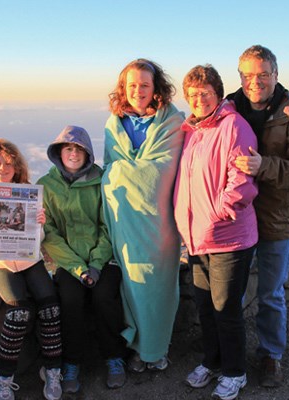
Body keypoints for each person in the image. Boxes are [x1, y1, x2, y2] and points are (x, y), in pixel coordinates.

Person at [227, 45, 289, 387]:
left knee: (270, 293)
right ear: (240, 76)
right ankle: (230, 348)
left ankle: (270, 355)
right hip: (235, 218)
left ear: (275, 74)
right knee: (230, 291)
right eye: (248, 75)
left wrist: (263, 166)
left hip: (275, 219)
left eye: (263, 74)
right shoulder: (228, 107)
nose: (256, 81)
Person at [174, 64, 258, 400]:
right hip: (197, 238)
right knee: (206, 307)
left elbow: (242, 183)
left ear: (217, 94)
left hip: (228, 237)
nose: (198, 99)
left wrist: (217, 215)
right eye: (192, 94)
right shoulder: (191, 131)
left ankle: (235, 372)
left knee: (226, 308)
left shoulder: (234, 126)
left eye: (204, 93)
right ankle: (212, 361)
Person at [0, 139, 62, 400]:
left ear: (17, 167)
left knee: (51, 307)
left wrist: (39, 224)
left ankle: (52, 371)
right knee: (20, 312)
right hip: (0, 264)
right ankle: (4, 379)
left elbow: (36, 240)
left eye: (9, 163)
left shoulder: (28, 193)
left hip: (31, 261)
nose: (3, 168)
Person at [102, 58, 185, 372]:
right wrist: (125, 174)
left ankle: (156, 348)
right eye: (132, 85)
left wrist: (124, 174)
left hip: (158, 221)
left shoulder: (171, 121)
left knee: (157, 286)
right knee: (131, 283)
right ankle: (136, 346)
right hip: (125, 221)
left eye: (144, 85)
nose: (138, 91)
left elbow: (161, 171)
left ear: (156, 88)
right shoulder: (114, 123)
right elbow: (109, 173)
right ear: (123, 88)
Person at [37, 125, 128, 392]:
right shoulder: (46, 186)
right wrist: (79, 269)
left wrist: (96, 265)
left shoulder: (103, 181)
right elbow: (50, 234)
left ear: (87, 153)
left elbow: (108, 226)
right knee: (70, 301)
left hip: (103, 259)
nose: (73, 154)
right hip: (69, 263)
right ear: (58, 153)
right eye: (68, 148)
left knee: (104, 298)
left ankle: (114, 358)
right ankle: (72, 363)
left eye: (79, 149)